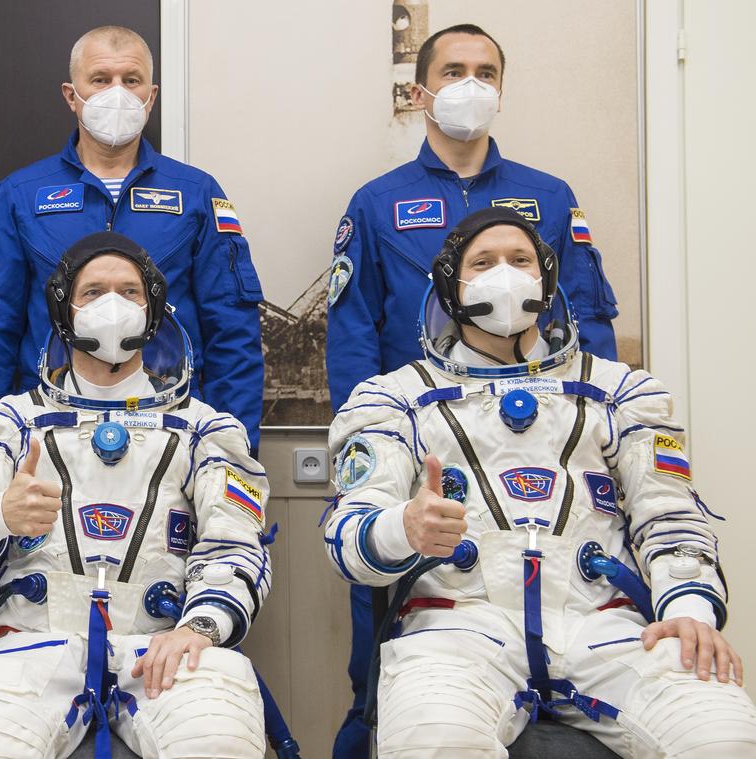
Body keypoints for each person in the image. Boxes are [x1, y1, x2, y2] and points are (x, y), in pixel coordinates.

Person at [323, 208, 756, 757]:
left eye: (520, 260)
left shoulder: (620, 391)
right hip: (459, 629)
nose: (505, 273)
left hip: (606, 626)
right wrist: (402, 529)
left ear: (546, 280)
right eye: (483, 263)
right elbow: (347, 541)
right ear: (450, 288)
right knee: (436, 741)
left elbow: (669, 515)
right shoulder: (393, 399)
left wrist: (689, 613)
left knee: (721, 735)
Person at [324, 24, 621, 754]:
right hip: (421, 467)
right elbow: (353, 339)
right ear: (420, 91)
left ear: (501, 90)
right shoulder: (375, 203)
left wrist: (601, 452)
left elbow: (589, 330)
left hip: (539, 467)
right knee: (391, 660)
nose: (471, 84)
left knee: (566, 624)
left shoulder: (548, 199)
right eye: (454, 70)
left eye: (486, 72)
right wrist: (369, 459)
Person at [0, 232, 270, 758]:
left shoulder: (204, 429)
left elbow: (236, 547)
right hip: (27, 645)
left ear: (152, 309)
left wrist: (200, 627)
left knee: (218, 739)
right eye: (93, 292)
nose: (113, 305)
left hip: (162, 646)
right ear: (64, 307)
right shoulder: (9, 422)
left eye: (130, 292)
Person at [0, 25, 265, 453]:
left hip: (171, 432)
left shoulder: (197, 193)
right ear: (71, 94)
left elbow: (233, 334)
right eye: (100, 80)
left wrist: (235, 455)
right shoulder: (20, 195)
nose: (116, 93)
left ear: (151, 96)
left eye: (131, 80)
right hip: (51, 433)